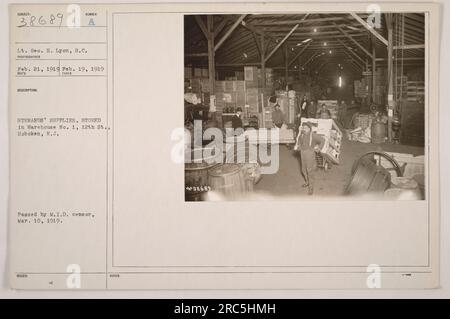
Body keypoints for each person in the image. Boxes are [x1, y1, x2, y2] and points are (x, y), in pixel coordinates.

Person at [294, 122, 325, 195]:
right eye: (303, 127)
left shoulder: (313, 135)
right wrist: (298, 146)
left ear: (309, 129)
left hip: (310, 153)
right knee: (303, 170)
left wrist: (319, 148)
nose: (303, 129)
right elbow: (299, 142)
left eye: (305, 128)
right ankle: (307, 182)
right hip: (302, 153)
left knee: (310, 171)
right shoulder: (301, 135)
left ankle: (311, 188)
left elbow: (322, 140)